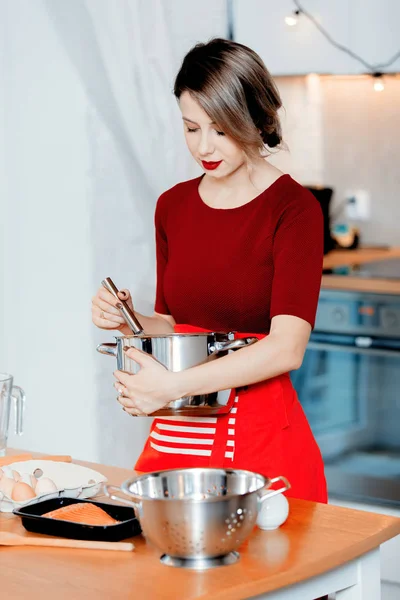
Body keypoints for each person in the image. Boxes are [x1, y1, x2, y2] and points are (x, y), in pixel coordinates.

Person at [92, 38, 327, 504]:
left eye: (220, 130)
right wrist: (129, 319)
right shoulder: (173, 207)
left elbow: (286, 348)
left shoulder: (294, 209)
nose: (204, 147)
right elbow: (178, 324)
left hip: (263, 443)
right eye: (191, 128)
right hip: (181, 436)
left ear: (257, 119)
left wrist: (172, 386)